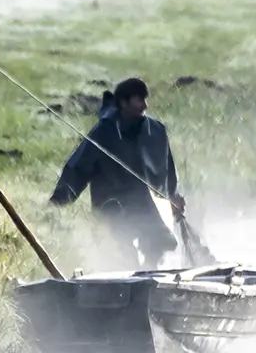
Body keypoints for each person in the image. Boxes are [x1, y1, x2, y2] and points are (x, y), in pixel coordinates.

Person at [50, 78, 187, 269]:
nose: (144, 106)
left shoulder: (156, 131)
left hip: (145, 204)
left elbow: (167, 167)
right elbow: (80, 164)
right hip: (112, 203)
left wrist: (174, 195)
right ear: (123, 102)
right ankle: (127, 285)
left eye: (145, 100)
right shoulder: (104, 131)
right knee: (122, 254)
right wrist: (61, 197)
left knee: (158, 242)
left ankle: (150, 278)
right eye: (139, 100)